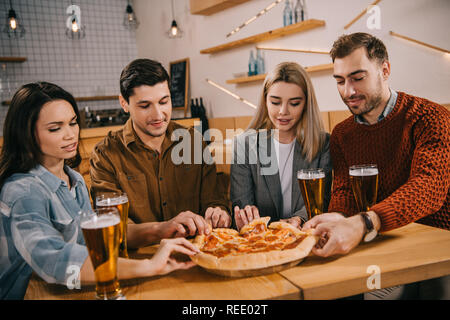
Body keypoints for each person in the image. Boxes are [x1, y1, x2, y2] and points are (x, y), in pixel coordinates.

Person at [0, 82, 199, 300]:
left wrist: (163, 229)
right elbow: (53, 261)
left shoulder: (73, 179)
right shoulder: (22, 191)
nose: (70, 134)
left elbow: (98, 240)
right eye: (55, 128)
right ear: (26, 135)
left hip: (70, 292)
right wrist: (150, 266)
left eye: (73, 123)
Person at [303, 33, 449, 299]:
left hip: (437, 252)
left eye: (358, 78)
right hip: (379, 248)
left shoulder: (431, 117)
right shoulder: (342, 134)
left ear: (385, 70)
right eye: (340, 81)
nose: (348, 91)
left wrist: (365, 222)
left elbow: (428, 187)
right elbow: (345, 191)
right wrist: (338, 218)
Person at [89, 59, 231, 246]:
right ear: (124, 103)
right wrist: (164, 228)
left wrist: (219, 213)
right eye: (145, 106)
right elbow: (114, 229)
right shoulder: (106, 154)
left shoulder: (193, 141)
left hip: (197, 254)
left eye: (164, 102)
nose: (158, 115)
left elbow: (215, 201)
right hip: (141, 264)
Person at [230, 62, 332, 231]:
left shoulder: (323, 144)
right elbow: (241, 206)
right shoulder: (244, 146)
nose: (283, 111)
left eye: (294, 103)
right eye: (275, 102)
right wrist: (245, 217)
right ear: (265, 101)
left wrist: (299, 219)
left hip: (307, 236)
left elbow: (323, 201)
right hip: (261, 241)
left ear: (306, 103)